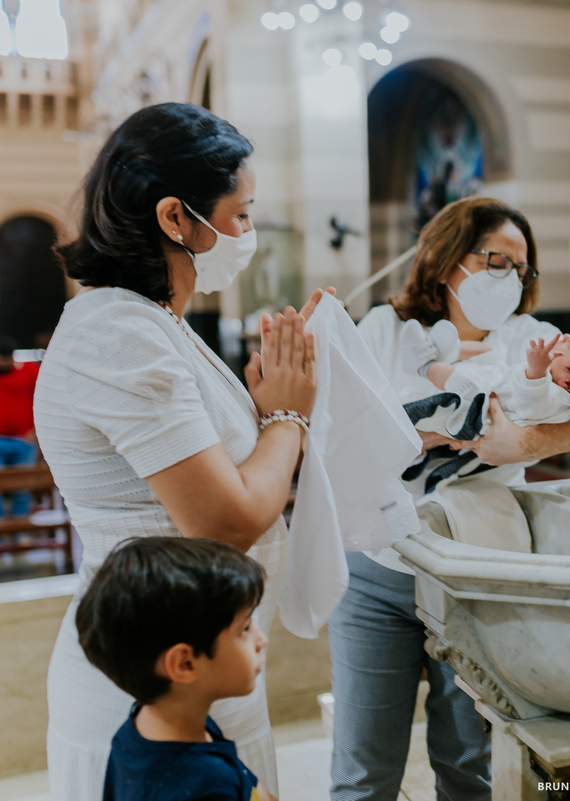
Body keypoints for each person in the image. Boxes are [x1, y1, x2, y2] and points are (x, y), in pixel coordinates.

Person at [34, 102, 331, 801]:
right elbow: (223, 520)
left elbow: (209, 468)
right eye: (243, 212)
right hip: (150, 684)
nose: (249, 232)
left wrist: (262, 413)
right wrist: (288, 413)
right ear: (176, 218)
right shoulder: (119, 334)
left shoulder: (151, 321)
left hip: (204, 664)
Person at [330, 196, 570, 801]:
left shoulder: (535, 340)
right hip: (374, 565)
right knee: (364, 769)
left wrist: (516, 440)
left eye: (521, 267)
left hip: (475, 568)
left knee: (469, 761)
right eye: (497, 260)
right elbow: (341, 432)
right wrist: (456, 434)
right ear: (447, 260)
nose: (510, 277)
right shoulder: (385, 330)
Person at [76, 537, 275, 801]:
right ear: (185, 664)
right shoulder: (209, 784)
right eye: (245, 629)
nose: (262, 640)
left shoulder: (137, 732)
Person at [399, 321, 570, 437]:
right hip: (499, 376)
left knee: (462, 379)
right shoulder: (560, 390)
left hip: (481, 395)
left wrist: (536, 371)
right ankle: (447, 350)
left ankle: (424, 365)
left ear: (569, 384)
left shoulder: (556, 401)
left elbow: (531, 406)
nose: (567, 335)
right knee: (487, 352)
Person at [0, 336, 40, 517]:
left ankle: (21, 534)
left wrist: (36, 430)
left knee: (22, 489)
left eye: (5, 358)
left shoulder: (29, 371)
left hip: (23, 439)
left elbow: (42, 401)